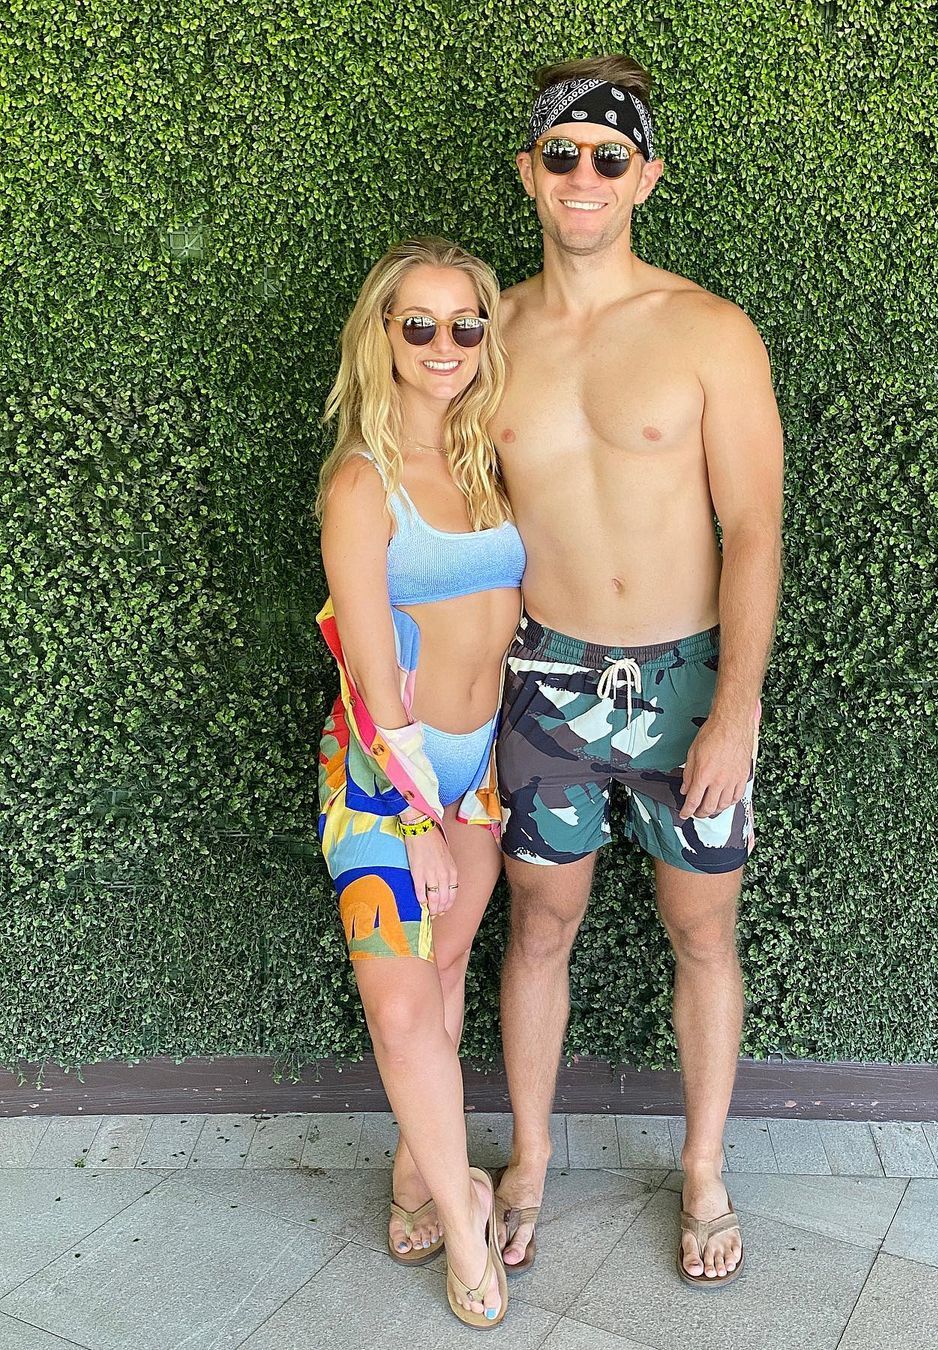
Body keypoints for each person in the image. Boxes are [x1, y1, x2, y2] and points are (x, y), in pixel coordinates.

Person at [492, 57, 784, 1287]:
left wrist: (736, 709)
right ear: (530, 171)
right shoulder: (487, 334)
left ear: (645, 177)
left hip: (685, 680)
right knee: (538, 924)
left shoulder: (709, 331)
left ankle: (704, 1168)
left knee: (702, 931)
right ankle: (529, 1160)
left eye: (609, 158)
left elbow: (754, 528)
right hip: (543, 679)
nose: (585, 177)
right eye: (563, 154)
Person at [313, 236, 525, 1326]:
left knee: (443, 978)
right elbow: (364, 667)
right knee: (402, 1014)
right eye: (420, 325)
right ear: (383, 337)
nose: (446, 345)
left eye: (465, 324)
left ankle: (414, 1171)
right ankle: (467, 1227)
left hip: (477, 768)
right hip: (383, 777)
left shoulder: (491, 460)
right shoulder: (364, 480)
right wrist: (415, 816)